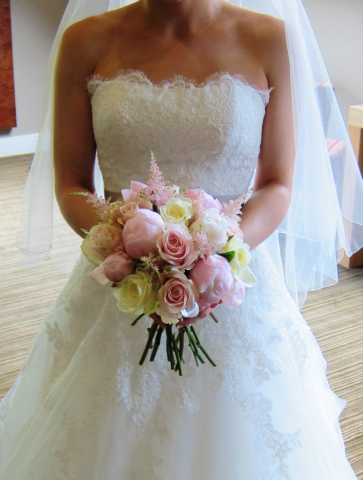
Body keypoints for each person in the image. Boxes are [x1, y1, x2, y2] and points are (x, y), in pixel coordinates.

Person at [0, 0, 361, 478]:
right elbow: (70, 181)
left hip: (233, 283)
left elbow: (277, 182)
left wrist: (218, 253)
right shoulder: (85, 40)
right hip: (122, 282)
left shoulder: (270, 37)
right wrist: (131, 249)